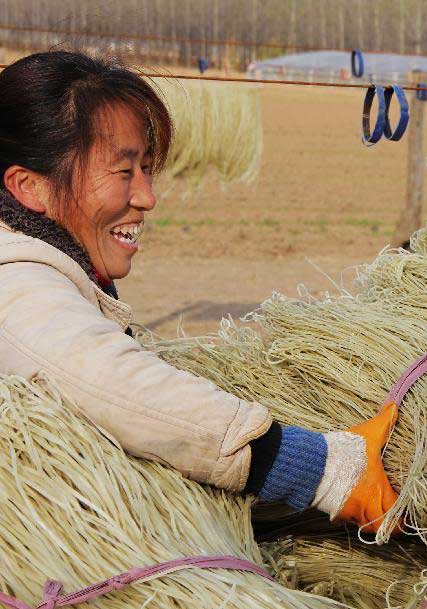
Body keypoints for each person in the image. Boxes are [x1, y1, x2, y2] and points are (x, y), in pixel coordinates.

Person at [0, 51, 398, 533]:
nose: (147, 196)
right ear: (29, 187)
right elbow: (107, 382)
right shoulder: (17, 285)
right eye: (124, 172)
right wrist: (322, 468)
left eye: (147, 169)